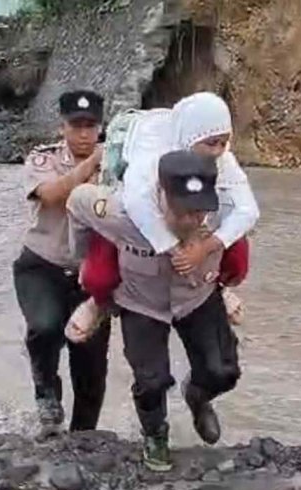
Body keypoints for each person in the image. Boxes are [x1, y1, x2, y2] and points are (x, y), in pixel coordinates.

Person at [66, 150, 242, 472]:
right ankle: (155, 433)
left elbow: (240, 238)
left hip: (197, 296)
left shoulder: (225, 213)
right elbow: (77, 201)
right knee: (151, 380)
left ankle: (197, 396)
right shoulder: (121, 212)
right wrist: (83, 260)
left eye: (199, 211)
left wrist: (226, 286)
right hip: (140, 301)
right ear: (161, 194)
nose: (192, 221)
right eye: (183, 212)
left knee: (223, 371)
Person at [65, 92, 259, 341]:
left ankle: (216, 287)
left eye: (224, 143)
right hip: (138, 218)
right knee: (98, 275)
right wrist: (174, 249)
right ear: (191, 138)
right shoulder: (148, 158)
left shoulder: (223, 159)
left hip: (199, 218)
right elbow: (135, 205)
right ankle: (99, 303)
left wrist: (206, 247)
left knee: (238, 253)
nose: (218, 151)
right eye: (212, 144)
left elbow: (248, 210)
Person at [12, 89, 112, 439]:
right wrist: (91, 165)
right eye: (76, 126)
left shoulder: (117, 163)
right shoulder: (44, 159)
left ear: (100, 128)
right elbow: (52, 195)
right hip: (43, 265)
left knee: (91, 364)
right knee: (45, 327)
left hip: (92, 275)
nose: (84, 134)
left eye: (91, 126)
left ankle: (83, 437)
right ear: (62, 128)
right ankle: (46, 394)